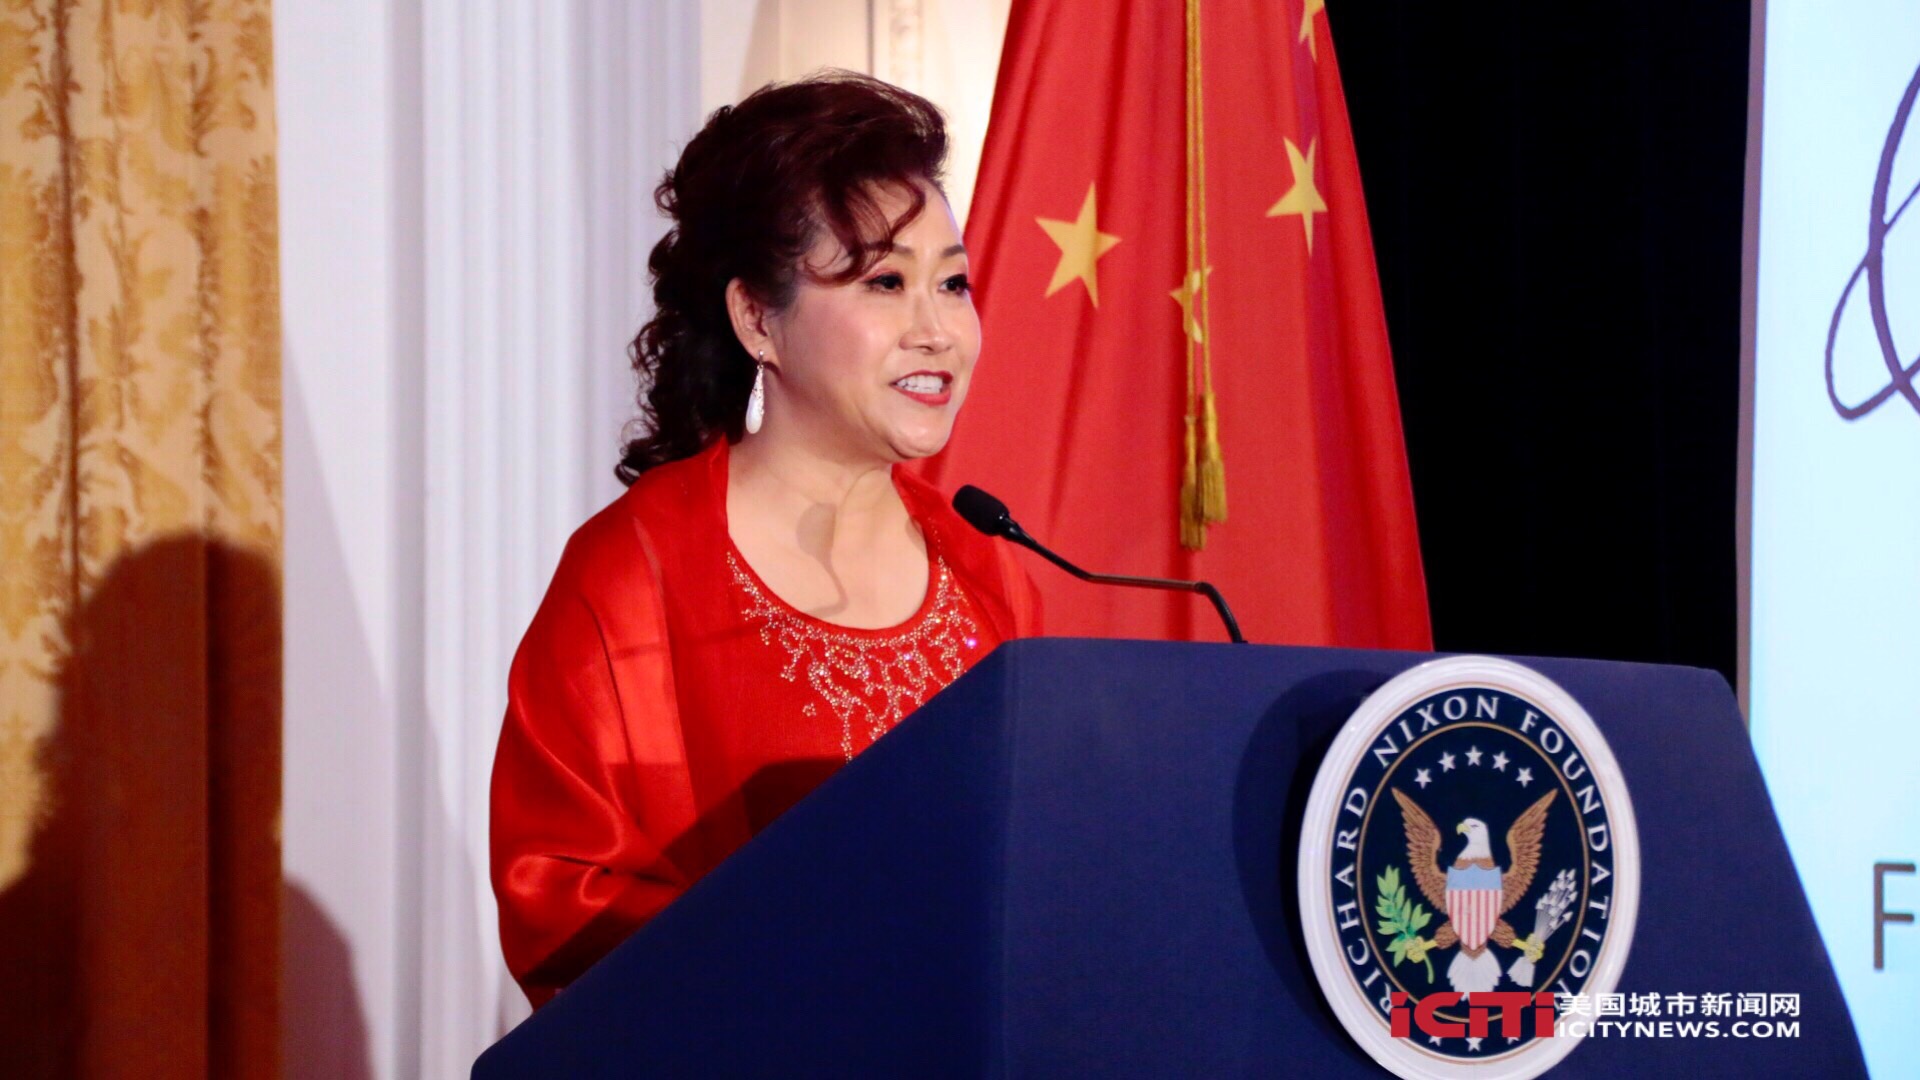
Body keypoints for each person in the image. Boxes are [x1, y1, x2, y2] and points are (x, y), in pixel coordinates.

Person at [488, 72, 1044, 1008]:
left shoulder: (987, 569)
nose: (938, 331)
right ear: (757, 318)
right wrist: (810, 961)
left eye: (952, 283)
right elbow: (559, 901)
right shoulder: (634, 575)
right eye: (885, 283)